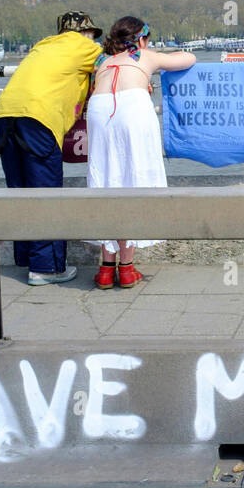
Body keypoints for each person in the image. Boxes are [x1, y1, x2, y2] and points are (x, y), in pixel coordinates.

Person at [0, 11, 104, 285]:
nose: (94, 39)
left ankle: (28, 259)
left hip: (5, 116)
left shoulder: (43, 46)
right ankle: (46, 269)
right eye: (92, 34)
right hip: (38, 119)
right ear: (84, 33)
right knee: (46, 194)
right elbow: (115, 65)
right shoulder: (85, 48)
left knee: (20, 193)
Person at [85, 16, 196, 288]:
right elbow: (187, 59)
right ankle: (126, 267)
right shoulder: (144, 56)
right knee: (134, 179)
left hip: (99, 109)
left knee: (107, 181)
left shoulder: (102, 62)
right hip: (132, 106)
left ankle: (105, 269)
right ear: (141, 38)